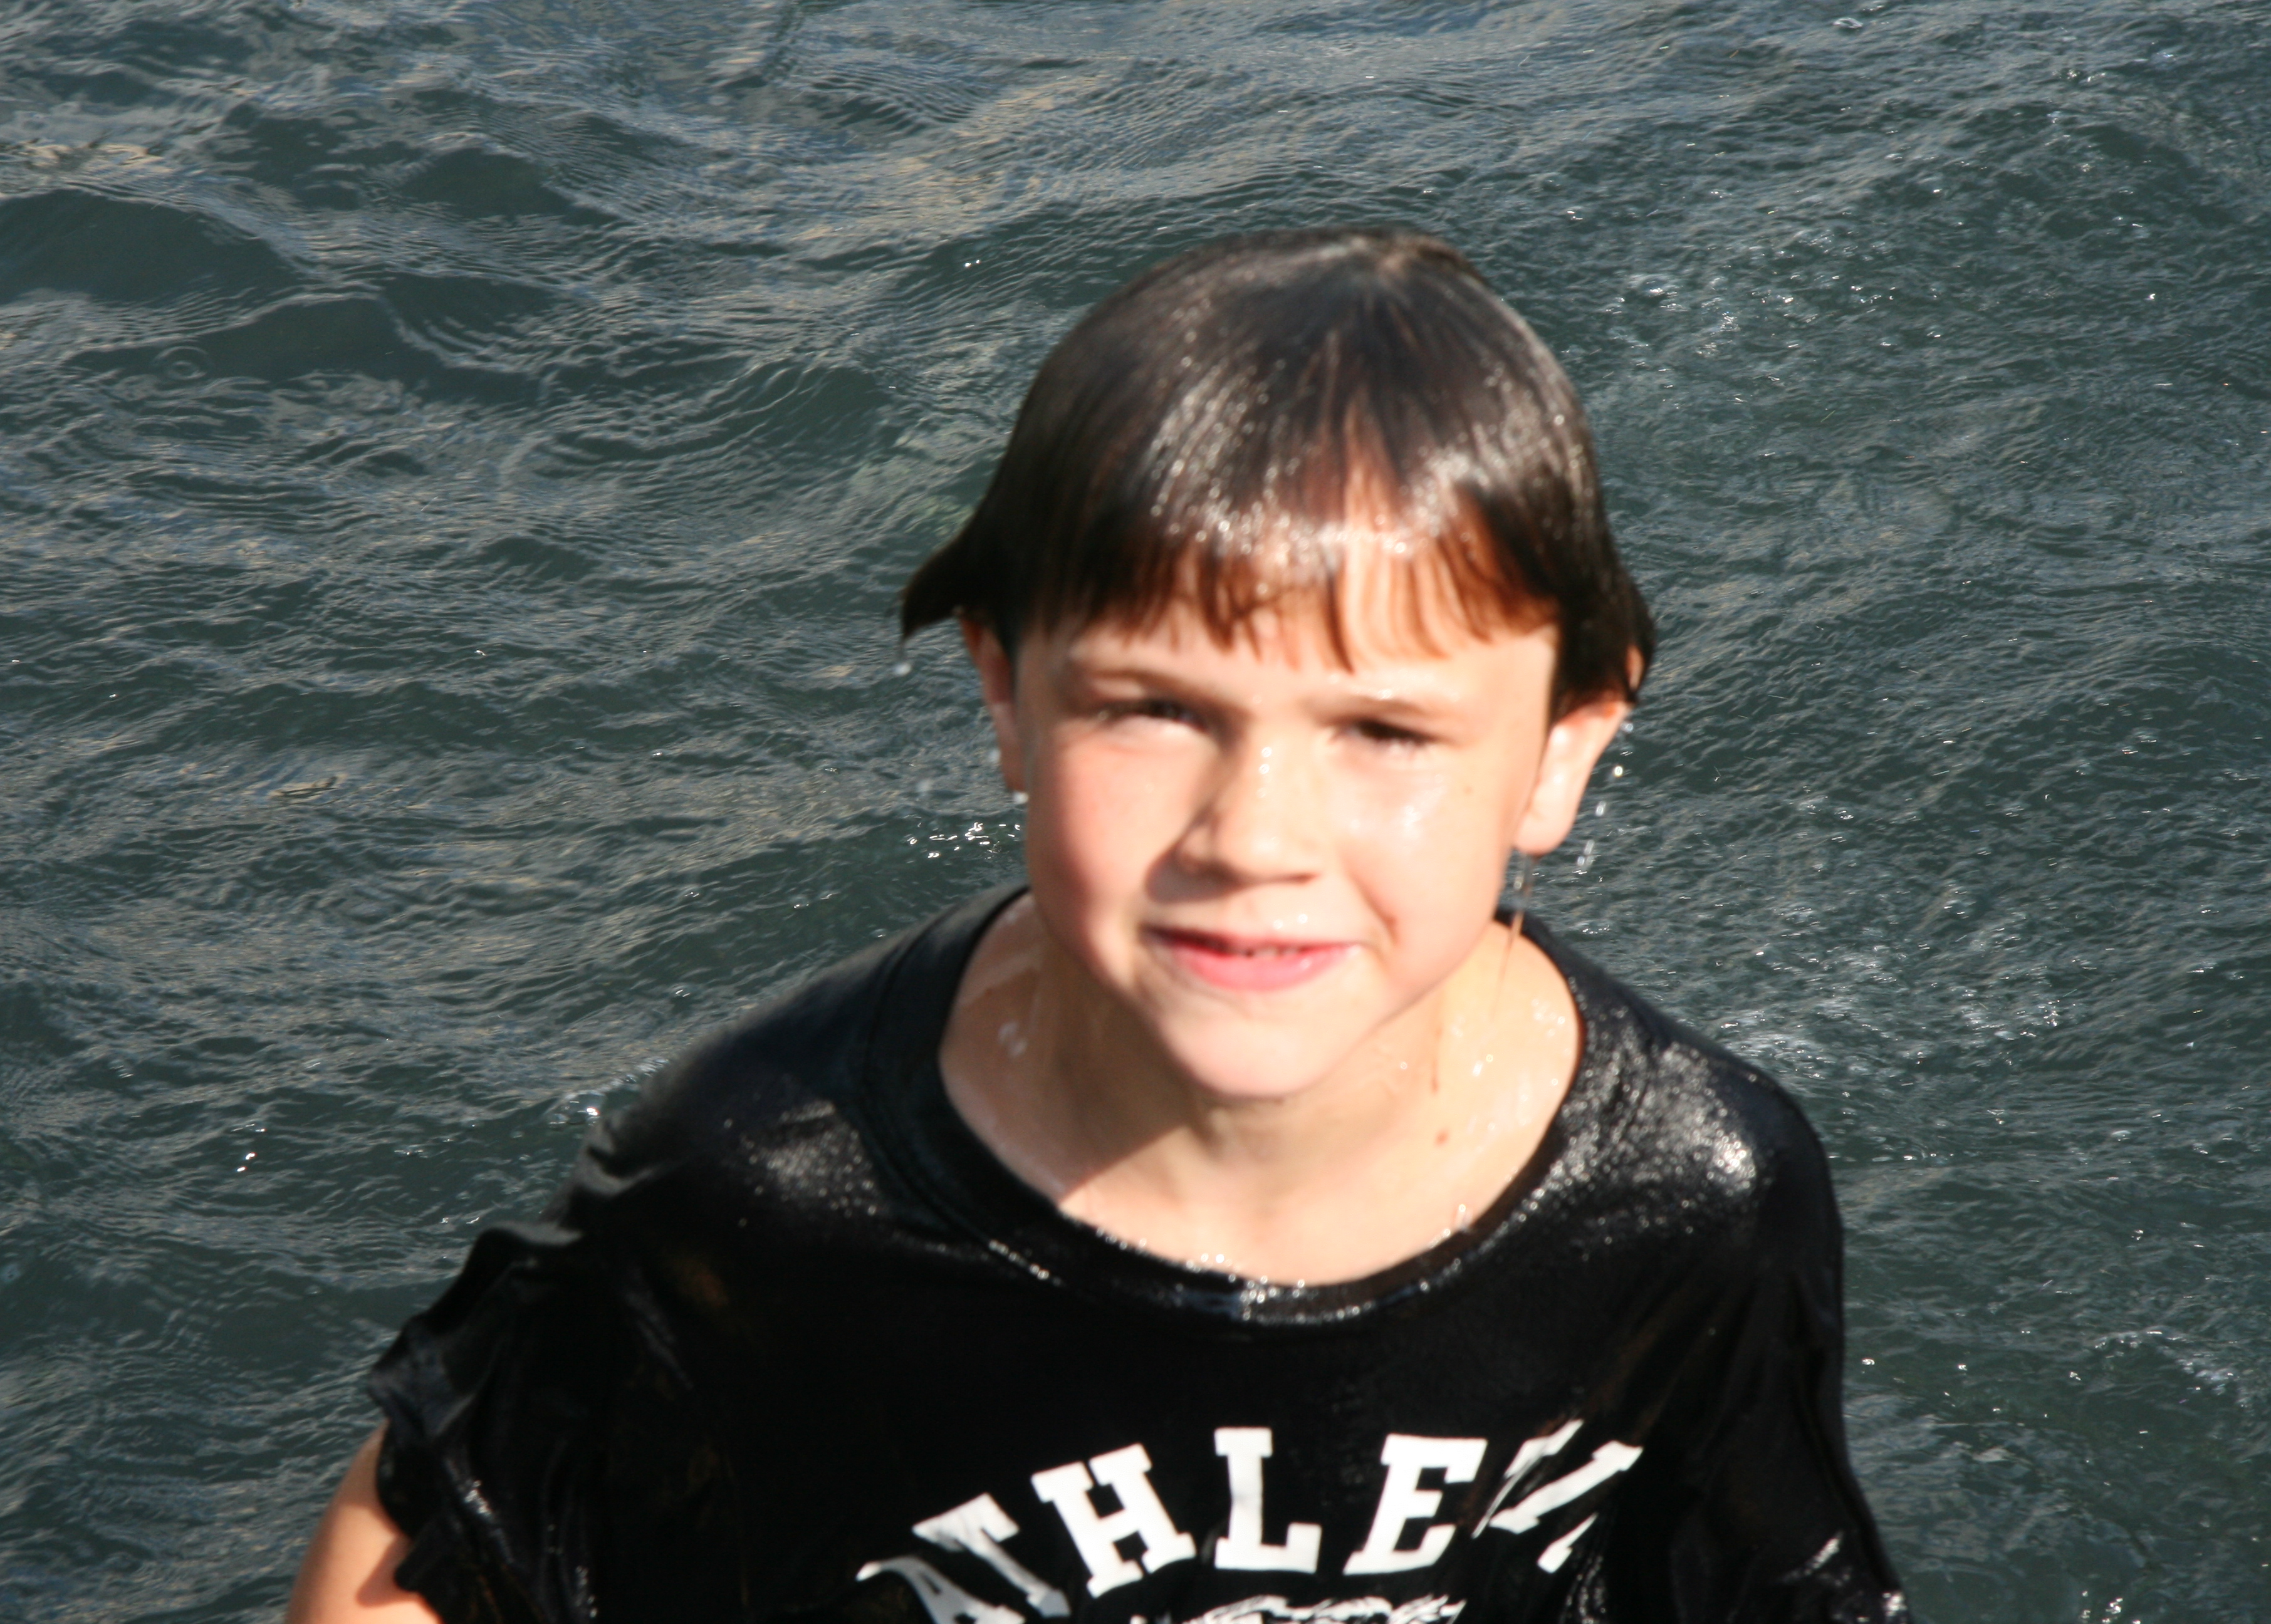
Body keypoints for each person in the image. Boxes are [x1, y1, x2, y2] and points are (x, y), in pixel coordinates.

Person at [288, 227, 1906, 1624]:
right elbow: (448, 1535)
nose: (1253, 837)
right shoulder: (769, 1193)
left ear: (1561, 748)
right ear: (1005, 692)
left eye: (1384, 733)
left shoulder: (1694, 1200)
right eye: (1153, 711)